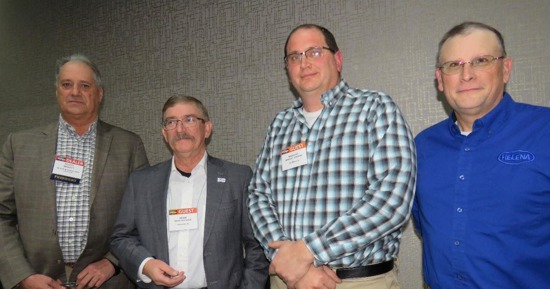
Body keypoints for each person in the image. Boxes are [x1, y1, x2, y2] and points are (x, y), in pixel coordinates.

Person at [248, 24, 417, 289]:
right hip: (287, 281)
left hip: (359, 282)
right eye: (294, 57)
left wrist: (308, 251)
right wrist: (290, 263)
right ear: (287, 69)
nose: (304, 63)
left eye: (314, 52)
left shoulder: (374, 108)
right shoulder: (279, 125)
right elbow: (258, 196)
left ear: (337, 60)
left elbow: (392, 200)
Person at [412, 21, 550, 289]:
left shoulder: (545, 131)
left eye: (481, 61)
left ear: (505, 69)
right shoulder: (422, 147)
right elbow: (425, 225)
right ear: (440, 79)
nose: (466, 75)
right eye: (454, 65)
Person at [0, 54, 149, 289]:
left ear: (99, 94)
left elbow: (144, 216)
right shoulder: (18, 145)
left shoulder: (129, 145)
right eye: (67, 84)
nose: (75, 92)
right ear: (57, 91)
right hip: (37, 279)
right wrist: (22, 275)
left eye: (85, 85)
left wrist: (112, 262)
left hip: (108, 283)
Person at [110, 96, 269, 289]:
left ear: (207, 128)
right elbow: (121, 237)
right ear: (164, 133)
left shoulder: (237, 177)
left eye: (190, 119)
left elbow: (256, 245)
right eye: (171, 122)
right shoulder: (141, 182)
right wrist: (145, 264)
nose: (180, 129)